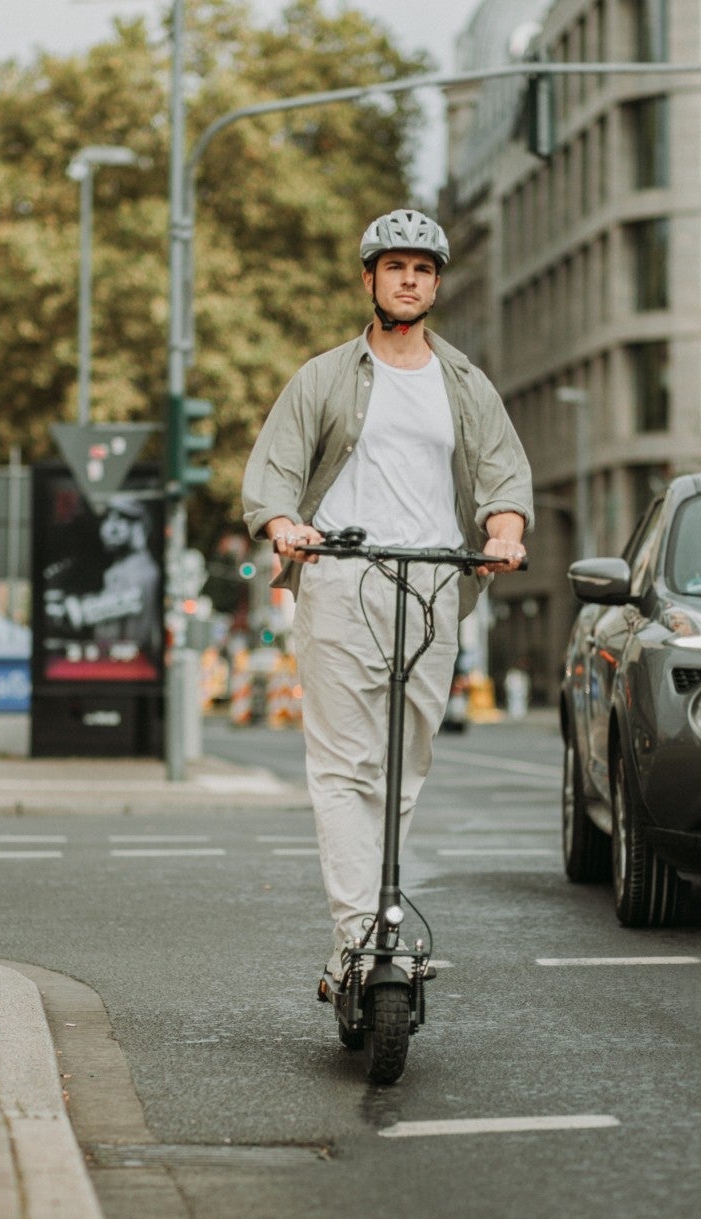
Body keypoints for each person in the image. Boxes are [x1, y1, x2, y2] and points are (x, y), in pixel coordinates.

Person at [241, 207, 533, 1002]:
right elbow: (274, 472)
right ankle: (360, 939)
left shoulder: (465, 383)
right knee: (346, 767)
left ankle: (370, 928)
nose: (409, 280)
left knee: (402, 769)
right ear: (369, 278)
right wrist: (285, 526)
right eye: (395, 266)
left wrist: (504, 535)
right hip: (341, 575)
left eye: (424, 269)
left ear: (436, 284)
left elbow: (505, 480)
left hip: (436, 581)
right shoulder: (325, 377)